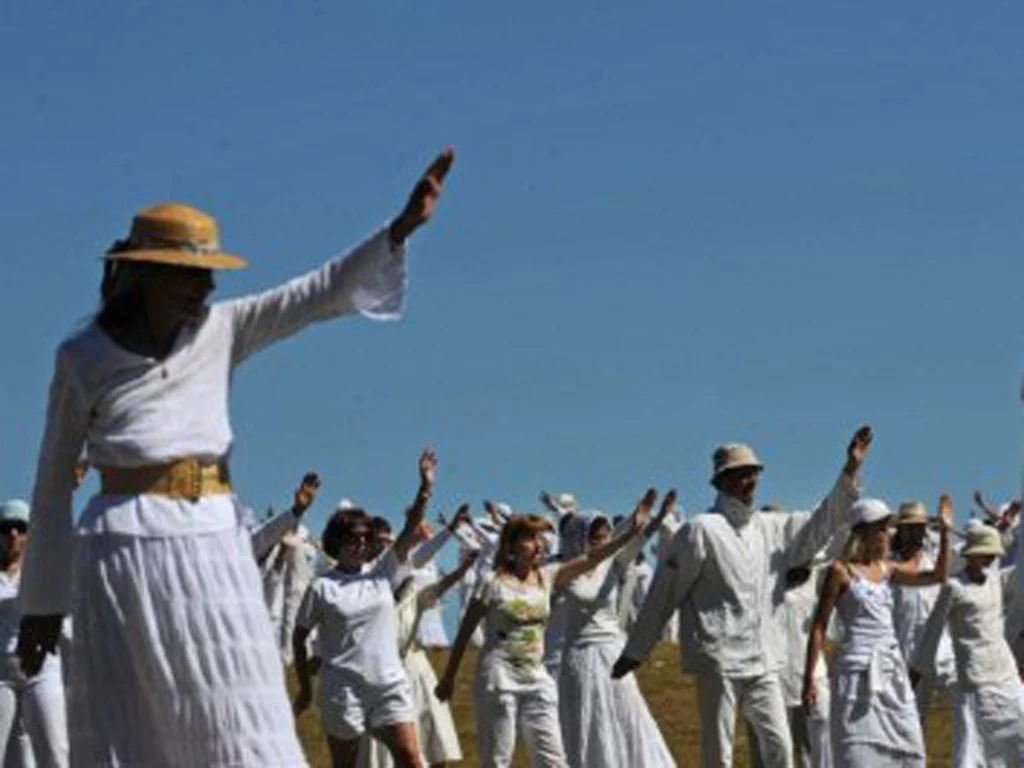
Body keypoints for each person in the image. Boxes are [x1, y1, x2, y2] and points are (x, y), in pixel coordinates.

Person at [16, 148, 454, 767]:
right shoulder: (82, 356)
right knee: (133, 719)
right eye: (189, 275)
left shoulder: (222, 329)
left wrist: (400, 229)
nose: (204, 287)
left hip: (211, 540)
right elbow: (53, 480)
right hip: (120, 547)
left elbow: (317, 292)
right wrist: (42, 604)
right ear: (144, 276)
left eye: (208, 275)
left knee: (239, 707)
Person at [613, 426, 873, 768]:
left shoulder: (772, 527)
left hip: (763, 659)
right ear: (722, 481)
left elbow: (821, 524)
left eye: (753, 473)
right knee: (719, 754)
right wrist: (636, 650)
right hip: (719, 658)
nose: (750, 480)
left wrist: (850, 471)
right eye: (740, 474)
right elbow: (665, 592)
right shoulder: (701, 529)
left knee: (780, 747)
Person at [435, 490, 660, 768]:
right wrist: (448, 678)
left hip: (536, 679)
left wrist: (627, 535)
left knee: (554, 761)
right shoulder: (491, 583)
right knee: (498, 760)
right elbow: (465, 632)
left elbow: (591, 558)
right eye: (530, 538)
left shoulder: (549, 576)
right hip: (499, 679)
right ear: (511, 547)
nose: (538, 544)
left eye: (540, 538)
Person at [292, 449, 437, 768]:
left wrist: (425, 487)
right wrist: (304, 686)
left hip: (388, 684)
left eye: (364, 538)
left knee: (412, 758)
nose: (359, 544)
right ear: (336, 541)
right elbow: (298, 637)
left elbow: (411, 527)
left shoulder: (382, 572)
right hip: (343, 689)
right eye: (351, 538)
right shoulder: (322, 587)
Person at [804, 496, 953, 768]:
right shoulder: (841, 572)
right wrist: (809, 679)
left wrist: (945, 532)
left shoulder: (887, 570)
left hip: (890, 670)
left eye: (888, 528)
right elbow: (819, 626)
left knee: (910, 746)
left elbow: (938, 576)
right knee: (857, 753)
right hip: (856, 672)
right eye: (882, 528)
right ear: (863, 531)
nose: (888, 534)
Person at [556, 492, 679, 768]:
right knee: (589, 719)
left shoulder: (614, 563)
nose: (601, 542)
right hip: (579, 656)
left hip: (611, 651)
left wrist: (656, 517)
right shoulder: (562, 569)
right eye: (595, 536)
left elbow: (637, 539)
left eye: (604, 536)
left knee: (625, 713)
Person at [913, 523, 1024, 766]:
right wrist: (916, 676)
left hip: (1006, 676)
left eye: (994, 554)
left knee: (1019, 736)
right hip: (975, 681)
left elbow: (1020, 575)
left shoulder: (997, 579)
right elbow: (932, 632)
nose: (993, 557)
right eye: (988, 553)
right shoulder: (954, 587)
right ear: (973, 554)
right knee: (974, 752)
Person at [359, 547, 479, 768]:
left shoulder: (413, 597)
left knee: (432, 739)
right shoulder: (369, 597)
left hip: (414, 669)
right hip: (380, 676)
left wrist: (461, 570)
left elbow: (439, 587)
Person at [889, 500, 979, 766]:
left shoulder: (936, 561)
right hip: (907, 659)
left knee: (967, 706)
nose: (916, 534)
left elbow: (968, 564)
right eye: (910, 529)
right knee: (911, 725)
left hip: (942, 652)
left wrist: (947, 529)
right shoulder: (890, 568)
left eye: (920, 528)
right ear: (900, 532)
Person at [0, 500, 68, 767]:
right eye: (5, 528)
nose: (13, 535)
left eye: (20, 527)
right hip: (1, 677)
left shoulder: (46, 571)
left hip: (42, 671)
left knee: (55, 751)